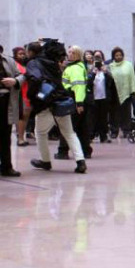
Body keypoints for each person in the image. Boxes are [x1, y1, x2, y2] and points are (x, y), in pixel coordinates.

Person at [26, 39, 87, 174]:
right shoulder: (54, 64)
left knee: (40, 133)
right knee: (69, 133)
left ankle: (45, 161)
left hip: (45, 104)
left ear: (30, 52)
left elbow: (35, 79)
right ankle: (80, 161)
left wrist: (31, 96)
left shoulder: (34, 63)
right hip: (61, 102)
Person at [56, 45, 92, 160]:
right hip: (78, 99)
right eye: (69, 52)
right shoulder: (77, 66)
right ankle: (86, 151)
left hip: (74, 99)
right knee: (82, 127)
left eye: (73, 52)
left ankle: (63, 151)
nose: (69, 54)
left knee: (67, 126)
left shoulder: (75, 68)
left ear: (78, 55)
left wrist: (79, 103)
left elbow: (78, 87)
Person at [1, 48, 23, 177]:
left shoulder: (8, 60)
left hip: (6, 103)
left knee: (5, 136)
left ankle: (6, 166)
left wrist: (15, 81)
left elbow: (21, 75)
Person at [108, 47, 135, 139]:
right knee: (114, 113)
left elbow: (132, 78)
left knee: (126, 113)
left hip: (126, 92)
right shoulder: (110, 66)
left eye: (120, 55)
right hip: (114, 92)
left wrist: (133, 90)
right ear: (113, 56)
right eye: (116, 55)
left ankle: (126, 130)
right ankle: (114, 131)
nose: (118, 57)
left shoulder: (128, 65)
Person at [88, 56, 116, 143]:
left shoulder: (105, 72)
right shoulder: (91, 71)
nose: (98, 65)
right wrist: (93, 73)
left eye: (99, 62)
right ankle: (91, 135)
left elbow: (110, 83)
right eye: (96, 63)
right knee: (93, 118)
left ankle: (103, 136)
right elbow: (88, 84)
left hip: (104, 98)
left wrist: (106, 72)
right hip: (94, 98)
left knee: (103, 118)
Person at [12, 47, 31, 147]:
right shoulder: (15, 65)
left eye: (24, 54)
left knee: (25, 117)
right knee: (21, 116)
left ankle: (21, 136)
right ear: (15, 55)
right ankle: (20, 139)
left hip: (26, 93)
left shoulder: (25, 64)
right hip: (20, 94)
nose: (22, 55)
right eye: (20, 54)